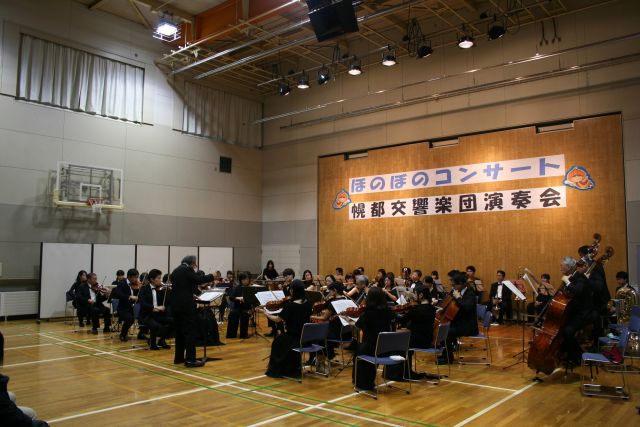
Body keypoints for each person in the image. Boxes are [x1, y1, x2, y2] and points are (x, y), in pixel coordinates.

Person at [170, 255, 214, 367]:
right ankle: (190, 360)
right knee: (190, 332)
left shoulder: (175, 271)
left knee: (179, 333)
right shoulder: (187, 269)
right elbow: (198, 279)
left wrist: (190, 294)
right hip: (185, 307)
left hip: (175, 306)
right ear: (192, 263)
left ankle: (179, 358)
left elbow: (181, 288)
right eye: (195, 263)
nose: (196, 266)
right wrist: (211, 276)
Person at [263, 280, 312, 378]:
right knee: (281, 340)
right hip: (306, 338)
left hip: (294, 338)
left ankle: (283, 369)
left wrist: (266, 313)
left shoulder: (290, 305)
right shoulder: (308, 303)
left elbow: (277, 319)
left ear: (292, 291)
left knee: (278, 341)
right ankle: (294, 366)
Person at [350, 287, 394, 390]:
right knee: (363, 348)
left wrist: (348, 320)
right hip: (385, 348)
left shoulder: (367, 313)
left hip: (370, 348)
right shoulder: (388, 312)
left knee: (358, 351)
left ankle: (362, 382)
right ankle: (369, 380)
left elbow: (357, 326)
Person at [560, 256, 596, 365]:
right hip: (576, 312)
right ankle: (568, 353)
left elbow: (578, 291)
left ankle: (577, 356)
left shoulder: (579, 276)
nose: (560, 268)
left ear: (568, 267)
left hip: (584, 313)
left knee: (568, 331)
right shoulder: (573, 276)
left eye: (562, 266)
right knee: (563, 329)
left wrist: (567, 282)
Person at [395, 285, 436, 379]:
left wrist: (392, 314)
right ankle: (407, 371)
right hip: (428, 339)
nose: (414, 295)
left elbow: (402, 320)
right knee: (404, 340)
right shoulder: (432, 308)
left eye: (415, 294)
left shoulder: (416, 310)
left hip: (418, 341)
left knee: (398, 342)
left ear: (421, 295)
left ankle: (402, 373)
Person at [441, 272, 479, 363]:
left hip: (468, 326)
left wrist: (458, 298)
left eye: (454, 285)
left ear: (461, 284)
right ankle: (445, 355)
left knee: (447, 333)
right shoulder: (457, 291)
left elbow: (467, 307)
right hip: (459, 323)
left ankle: (448, 358)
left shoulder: (470, 293)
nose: (453, 287)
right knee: (442, 330)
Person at [138, 269, 173, 350]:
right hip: (147, 315)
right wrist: (154, 308)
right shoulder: (144, 289)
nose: (160, 280)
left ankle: (162, 340)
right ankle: (152, 343)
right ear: (152, 279)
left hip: (158, 315)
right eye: (158, 278)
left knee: (173, 321)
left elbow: (166, 302)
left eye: (160, 278)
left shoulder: (160, 290)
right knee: (155, 325)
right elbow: (143, 303)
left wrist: (169, 292)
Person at [112, 269, 140, 342]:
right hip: (122, 308)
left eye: (137, 277)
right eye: (135, 277)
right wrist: (129, 296)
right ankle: (123, 334)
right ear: (129, 277)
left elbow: (138, 295)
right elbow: (118, 294)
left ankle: (141, 333)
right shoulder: (122, 283)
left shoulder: (136, 284)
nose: (137, 279)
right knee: (130, 319)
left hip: (131, 308)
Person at [226, 272, 252, 339]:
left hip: (246, 308)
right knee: (233, 314)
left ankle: (243, 335)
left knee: (244, 314)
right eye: (244, 279)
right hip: (237, 307)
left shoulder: (250, 288)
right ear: (241, 280)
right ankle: (231, 334)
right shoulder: (237, 288)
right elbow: (231, 297)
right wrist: (238, 298)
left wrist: (247, 300)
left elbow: (253, 300)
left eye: (247, 279)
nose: (246, 281)